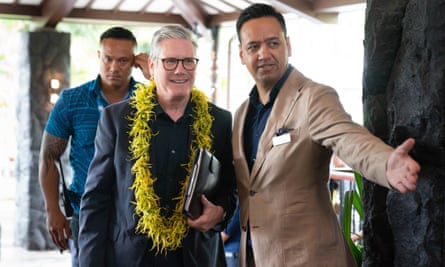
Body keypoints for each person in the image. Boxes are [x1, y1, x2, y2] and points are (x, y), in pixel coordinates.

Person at [232, 3, 421, 267]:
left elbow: (348, 138)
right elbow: (250, 188)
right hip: (255, 257)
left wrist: (385, 163)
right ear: (242, 54)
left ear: (288, 45)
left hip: (309, 257)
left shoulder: (313, 98)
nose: (264, 53)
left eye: (273, 43)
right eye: (253, 47)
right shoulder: (242, 114)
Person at [78, 25, 237, 267]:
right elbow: (96, 200)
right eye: (170, 61)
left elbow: (230, 187)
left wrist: (221, 212)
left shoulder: (220, 121)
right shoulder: (118, 119)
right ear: (152, 66)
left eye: (188, 61)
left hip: (196, 256)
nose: (180, 70)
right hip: (130, 258)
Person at [38, 26, 150, 267]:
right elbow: (48, 157)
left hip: (135, 215)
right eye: (108, 58)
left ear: (134, 62)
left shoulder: (150, 100)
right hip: (84, 211)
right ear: (98, 56)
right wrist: (52, 210)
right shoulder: (72, 100)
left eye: (123, 60)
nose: (114, 67)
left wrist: (154, 75)